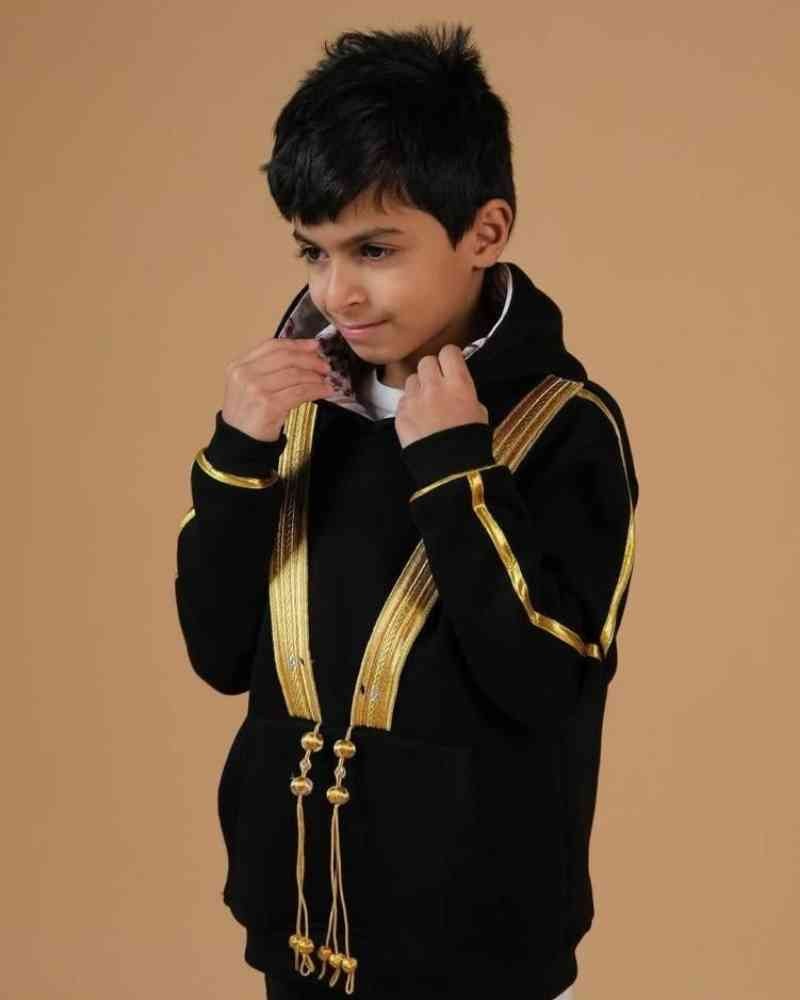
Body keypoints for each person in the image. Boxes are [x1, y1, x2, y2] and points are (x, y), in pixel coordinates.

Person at [174, 22, 638, 1000]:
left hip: (479, 953)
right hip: (296, 930)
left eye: (375, 249)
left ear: (485, 233)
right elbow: (218, 654)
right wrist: (237, 451)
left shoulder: (566, 425)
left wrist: (452, 465)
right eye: (313, 251)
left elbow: (541, 686)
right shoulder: (296, 414)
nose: (336, 292)